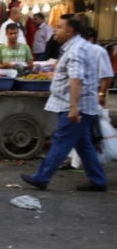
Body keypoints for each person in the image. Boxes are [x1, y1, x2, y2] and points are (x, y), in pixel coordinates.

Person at [21, 15, 107, 192]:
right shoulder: (78, 46)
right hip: (80, 105)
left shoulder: (76, 49)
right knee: (83, 144)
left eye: (59, 27)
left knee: (61, 141)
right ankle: (98, 180)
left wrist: (74, 108)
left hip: (75, 106)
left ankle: (42, 177)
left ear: (70, 31)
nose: (55, 30)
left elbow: (76, 79)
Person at [83, 27, 114, 107]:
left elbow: (107, 75)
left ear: (91, 39)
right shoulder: (80, 50)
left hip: (95, 91)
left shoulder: (99, 51)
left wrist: (101, 94)